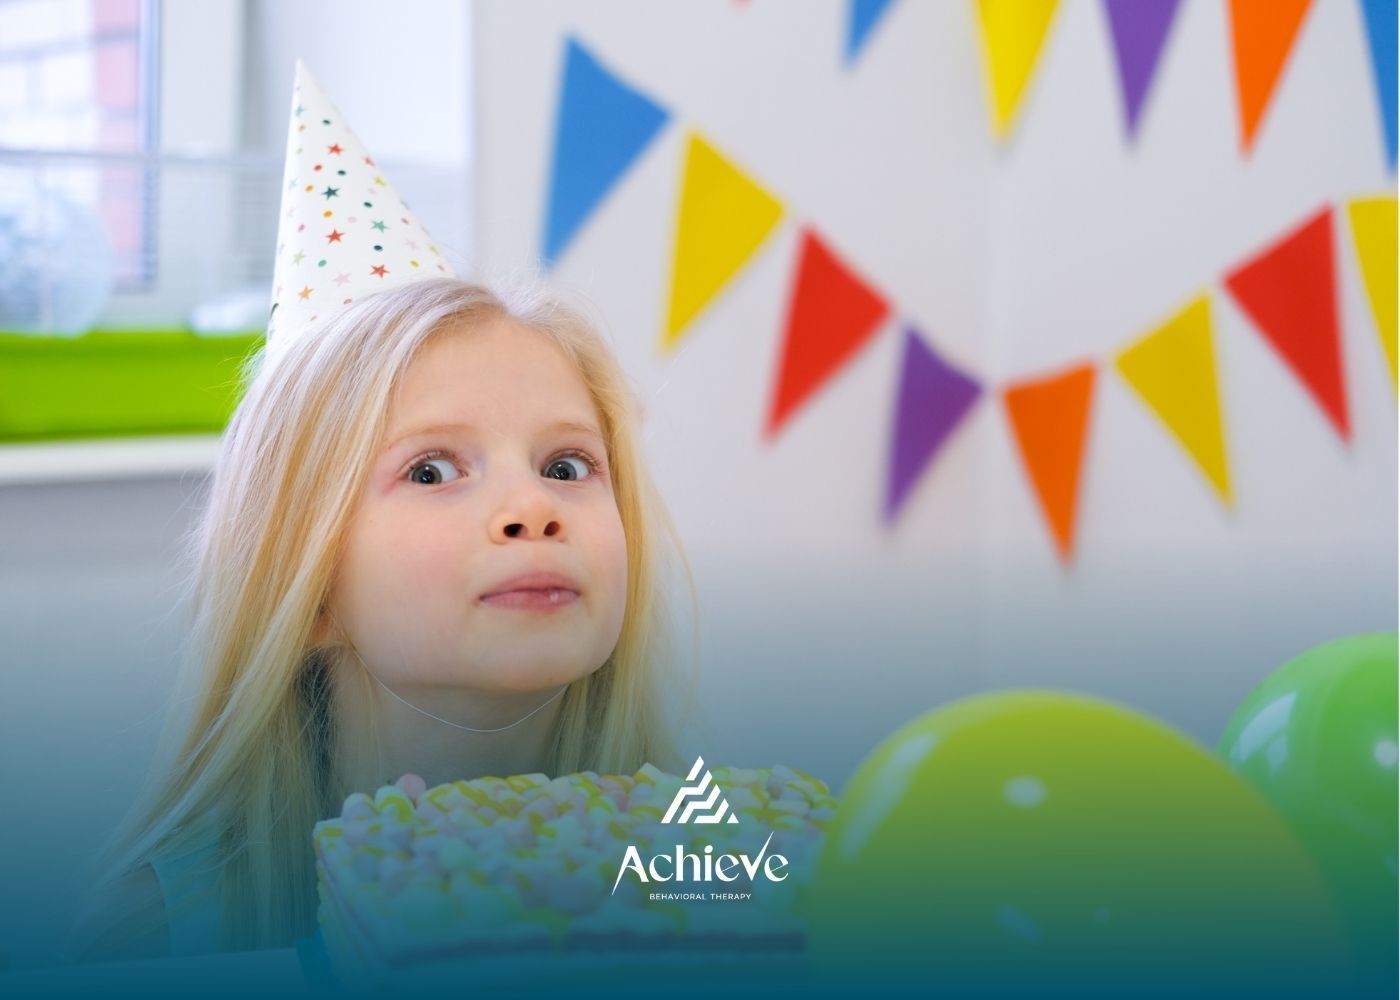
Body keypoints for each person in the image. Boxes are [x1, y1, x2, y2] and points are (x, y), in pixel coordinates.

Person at [67, 62, 694, 964]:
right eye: (433, 470)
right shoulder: (164, 936)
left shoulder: (716, 872)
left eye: (567, 465)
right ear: (308, 588)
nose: (531, 508)